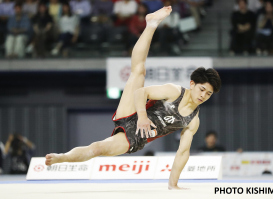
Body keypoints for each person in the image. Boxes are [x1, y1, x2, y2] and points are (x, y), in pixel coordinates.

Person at [45, 6, 221, 190]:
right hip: (134, 111)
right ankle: (151, 25)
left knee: (98, 148)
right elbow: (141, 93)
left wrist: (173, 184)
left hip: (135, 137)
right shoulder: (174, 91)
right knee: (138, 71)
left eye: (208, 94)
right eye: (202, 89)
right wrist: (143, 118)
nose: (203, 96)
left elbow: (183, 152)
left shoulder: (193, 121)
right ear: (192, 84)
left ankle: (62, 158)